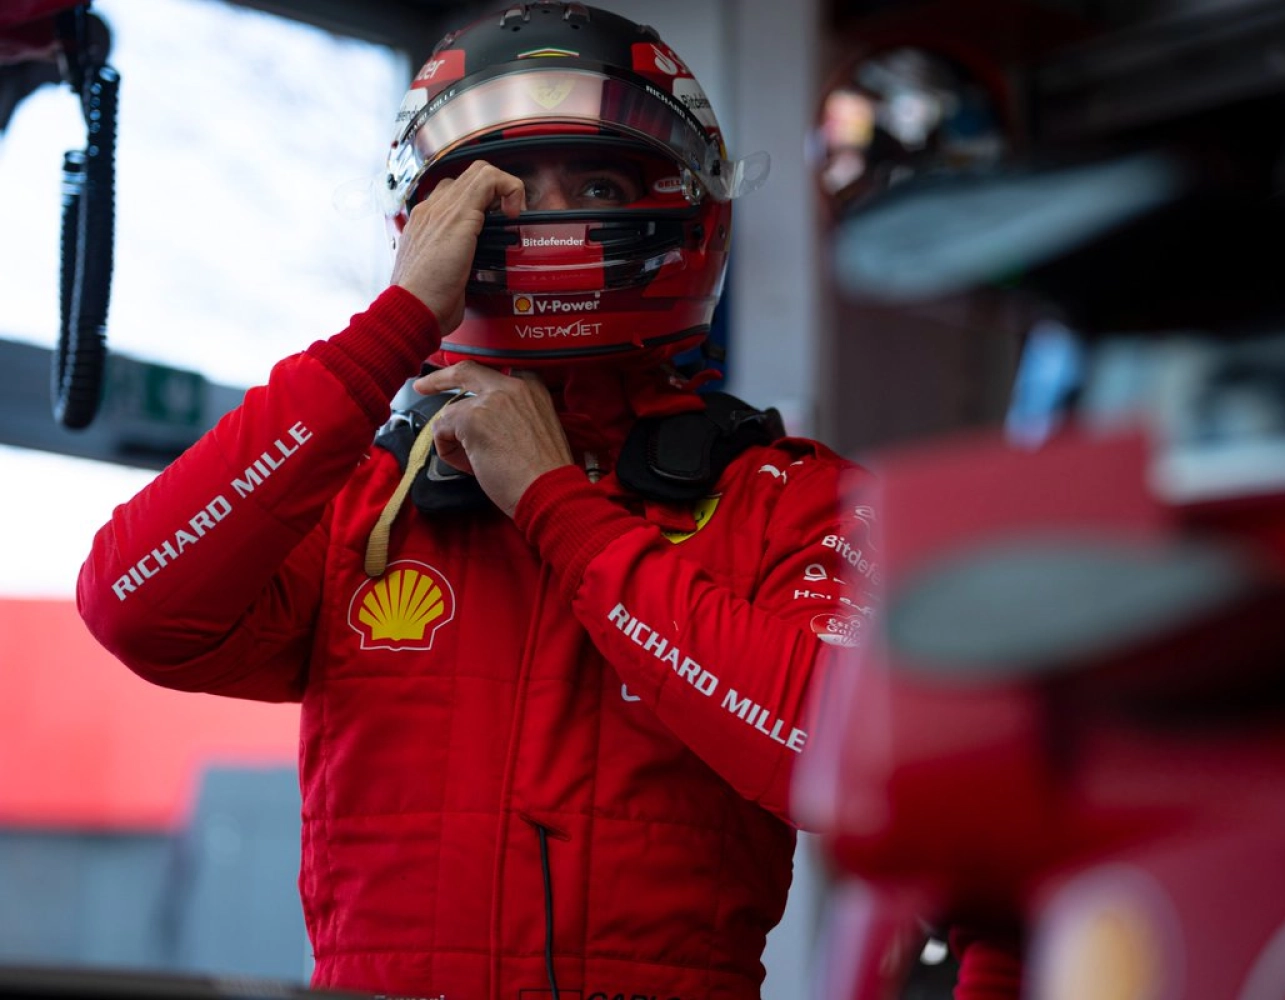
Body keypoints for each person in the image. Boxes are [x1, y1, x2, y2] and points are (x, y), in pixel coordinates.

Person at [77, 5, 872, 1000]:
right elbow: (132, 605)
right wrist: (389, 334)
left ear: (683, 212)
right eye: (496, 194)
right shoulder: (363, 500)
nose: (542, 220)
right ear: (432, 225)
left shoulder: (787, 499)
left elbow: (856, 754)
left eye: (592, 183)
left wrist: (556, 503)